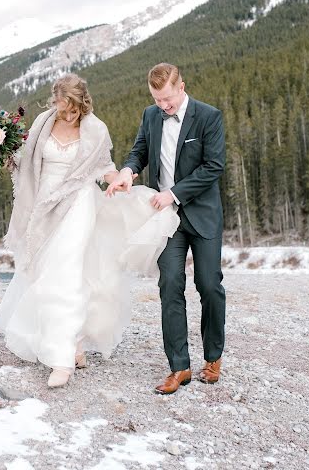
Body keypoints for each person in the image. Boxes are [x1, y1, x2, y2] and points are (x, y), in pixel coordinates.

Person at [0, 73, 179, 388]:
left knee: (63, 275)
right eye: (63, 109)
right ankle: (75, 344)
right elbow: (27, 163)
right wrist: (5, 158)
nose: (69, 115)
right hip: (42, 206)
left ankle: (61, 359)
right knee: (43, 271)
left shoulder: (96, 129)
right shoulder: (41, 125)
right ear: (55, 102)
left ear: (82, 103)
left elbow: (103, 166)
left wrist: (117, 179)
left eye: (74, 110)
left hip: (78, 204)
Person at [106, 63, 226, 395]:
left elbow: (213, 166)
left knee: (209, 285)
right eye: (158, 100)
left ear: (182, 86)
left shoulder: (208, 116)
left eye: (168, 99)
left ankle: (213, 357)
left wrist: (173, 193)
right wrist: (128, 171)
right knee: (170, 285)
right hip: (165, 220)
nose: (164, 106)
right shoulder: (150, 115)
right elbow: (139, 152)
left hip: (202, 215)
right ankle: (179, 367)